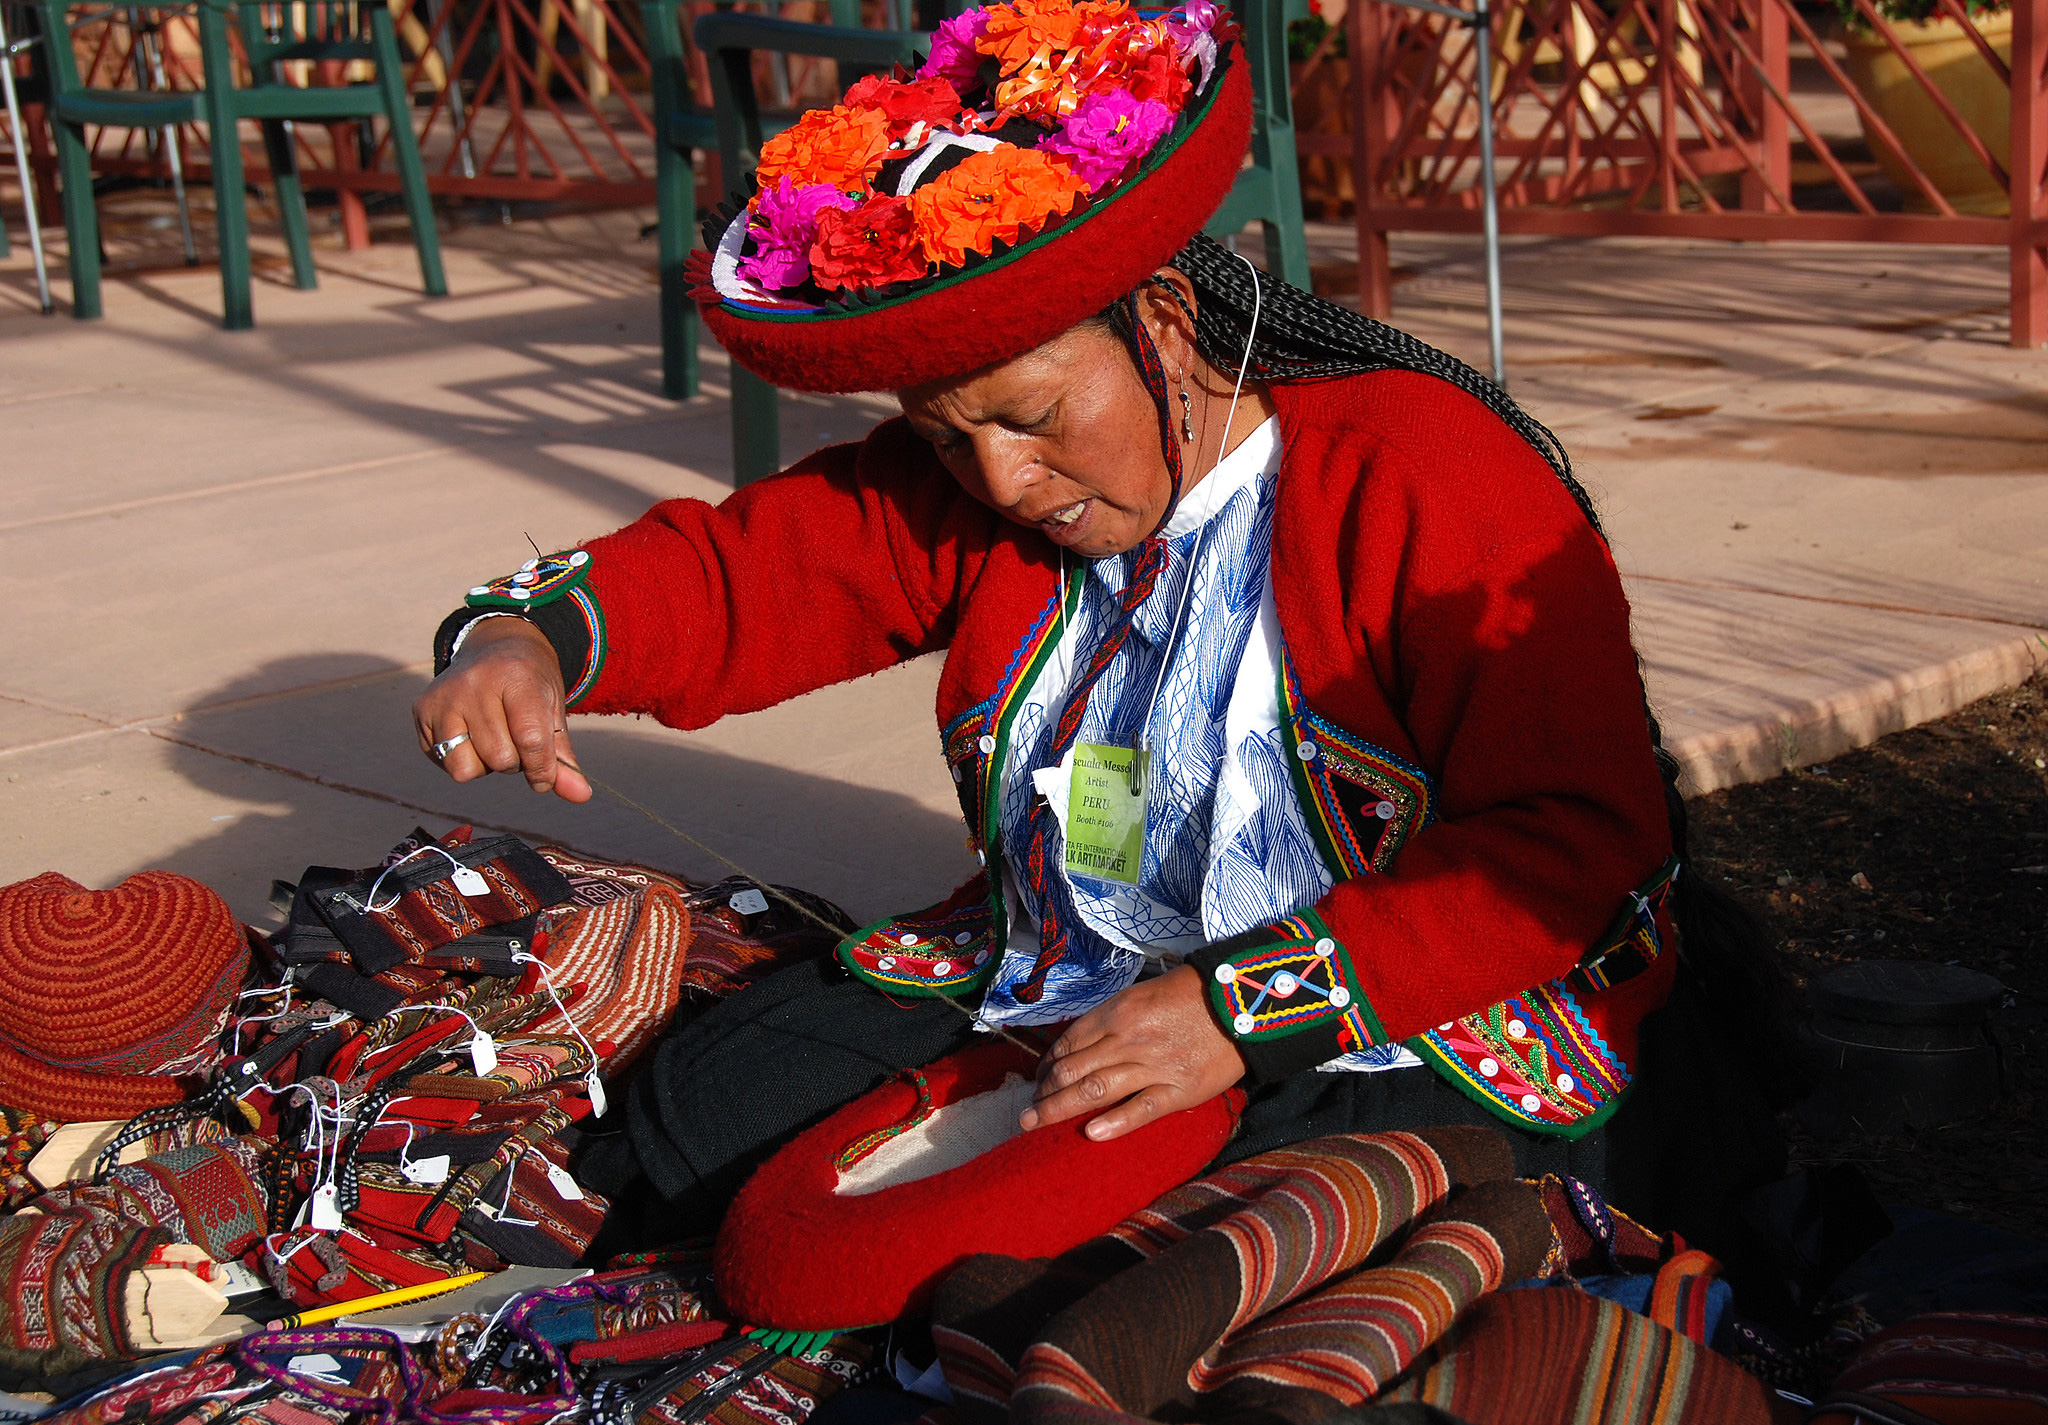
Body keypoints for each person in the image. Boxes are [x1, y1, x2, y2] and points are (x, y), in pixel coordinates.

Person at [413, 0, 1785, 1247]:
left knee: (1232, 1234)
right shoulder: (983, 486)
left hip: (1409, 1002)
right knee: (689, 1126)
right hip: (1087, 962)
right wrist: (528, 639)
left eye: (1034, 416)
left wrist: (1239, 1009)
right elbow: (755, 569)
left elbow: (1576, 840)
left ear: (1166, 325)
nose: (1004, 479)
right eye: (951, 443)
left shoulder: (1431, 472)